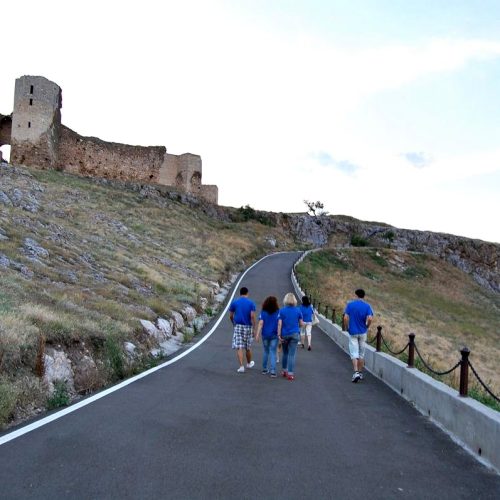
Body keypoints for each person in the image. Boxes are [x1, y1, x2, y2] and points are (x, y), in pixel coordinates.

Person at [343, 289, 374, 383]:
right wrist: (367, 326)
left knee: (354, 353)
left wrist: (347, 327)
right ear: (363, 296)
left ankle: (356, 372)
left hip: (353, 331)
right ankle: (360, 373)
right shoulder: (367, 306)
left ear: (356, 295)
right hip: (363, 332)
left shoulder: (350, 305)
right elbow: (370, 318)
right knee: (361, 353)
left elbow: (345, 317)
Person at [229, 286, 256, 373]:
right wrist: (254, 328)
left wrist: (234, 323)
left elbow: (231, 315)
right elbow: (252, 316)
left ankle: (241, 366)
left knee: (239, 347)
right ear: (247, 293)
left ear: (240, 293)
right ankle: (248, 363)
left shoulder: (235, 302)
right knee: (248, 347)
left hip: (238, 326)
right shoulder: (251, 303)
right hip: (248, 326)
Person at [277, 292, 304, 381]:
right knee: (292, 355)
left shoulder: (282, 311)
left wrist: (279, 334)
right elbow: (301, 324)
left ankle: (284, 371)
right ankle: (290, 374)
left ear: (285, 300)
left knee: (285, 353)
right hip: (295, 334)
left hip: (284, 334)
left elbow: (279, 324)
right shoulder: (298, 310)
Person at [255, 296, 280, 378]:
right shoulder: (278, 312)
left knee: (266, 351)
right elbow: (280, 323)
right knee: (273, 352)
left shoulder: (263, 312)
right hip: (274, 334)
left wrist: (257, 334)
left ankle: (264, 369)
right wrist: (280, 334)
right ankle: (273, 371)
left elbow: (261, 323)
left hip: (265, 334)